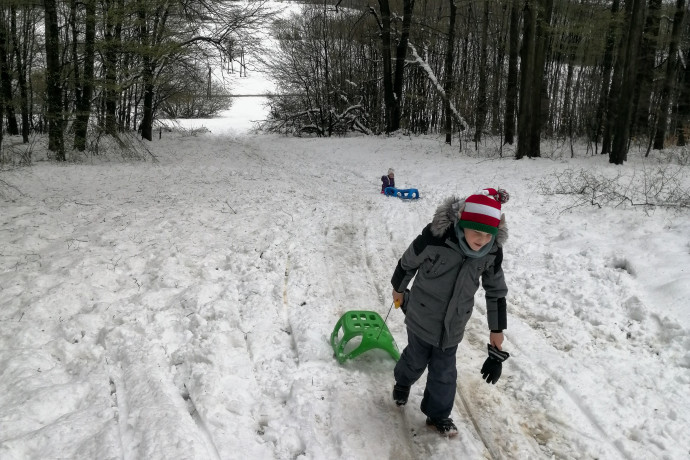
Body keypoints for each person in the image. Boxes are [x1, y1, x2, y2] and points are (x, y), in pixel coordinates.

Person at [390, 187, 511, 437]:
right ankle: (402, 381)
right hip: (422, 317)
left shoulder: (490, 252)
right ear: (462, 223)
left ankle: (438, 415)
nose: (482, 240)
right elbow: (408, 262)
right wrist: (398, 289)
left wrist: (497, 330)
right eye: (476, 232)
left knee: (445, 374)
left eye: (488, 234)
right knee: (414, 361)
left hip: (453, 326)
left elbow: (496, 291)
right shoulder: (436, 238)